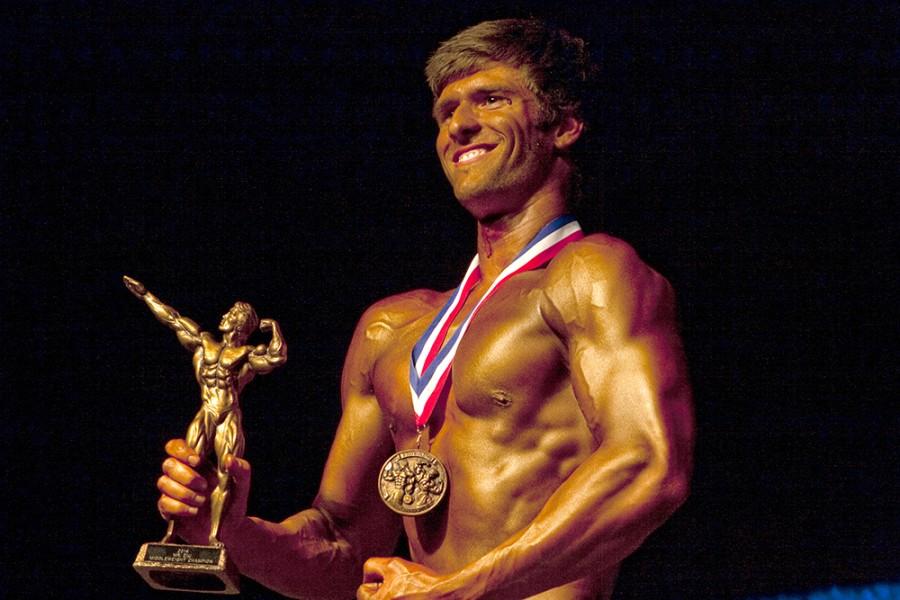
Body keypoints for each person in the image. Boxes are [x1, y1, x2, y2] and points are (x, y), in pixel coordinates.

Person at [154, 19, 693, 599]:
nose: (459, 124)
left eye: (491, 99)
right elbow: (341, 547)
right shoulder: (392, 328)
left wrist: (455, 590)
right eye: (446, 111)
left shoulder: (591, 275)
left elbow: (648, 467)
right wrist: (231, 532)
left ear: (563, 126)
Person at [124, 275, 287, 546]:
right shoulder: (204, 342)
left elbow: (276, 357)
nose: (223, 316)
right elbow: (172, 318)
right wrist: (144, 294)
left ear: (240, 323)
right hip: (207, 411)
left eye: (231, 314)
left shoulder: (247, 354)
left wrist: (275, 329)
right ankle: (172, 533)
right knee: (188, 468)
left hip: (228, 416)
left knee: (226, 475)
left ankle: (214, 538)